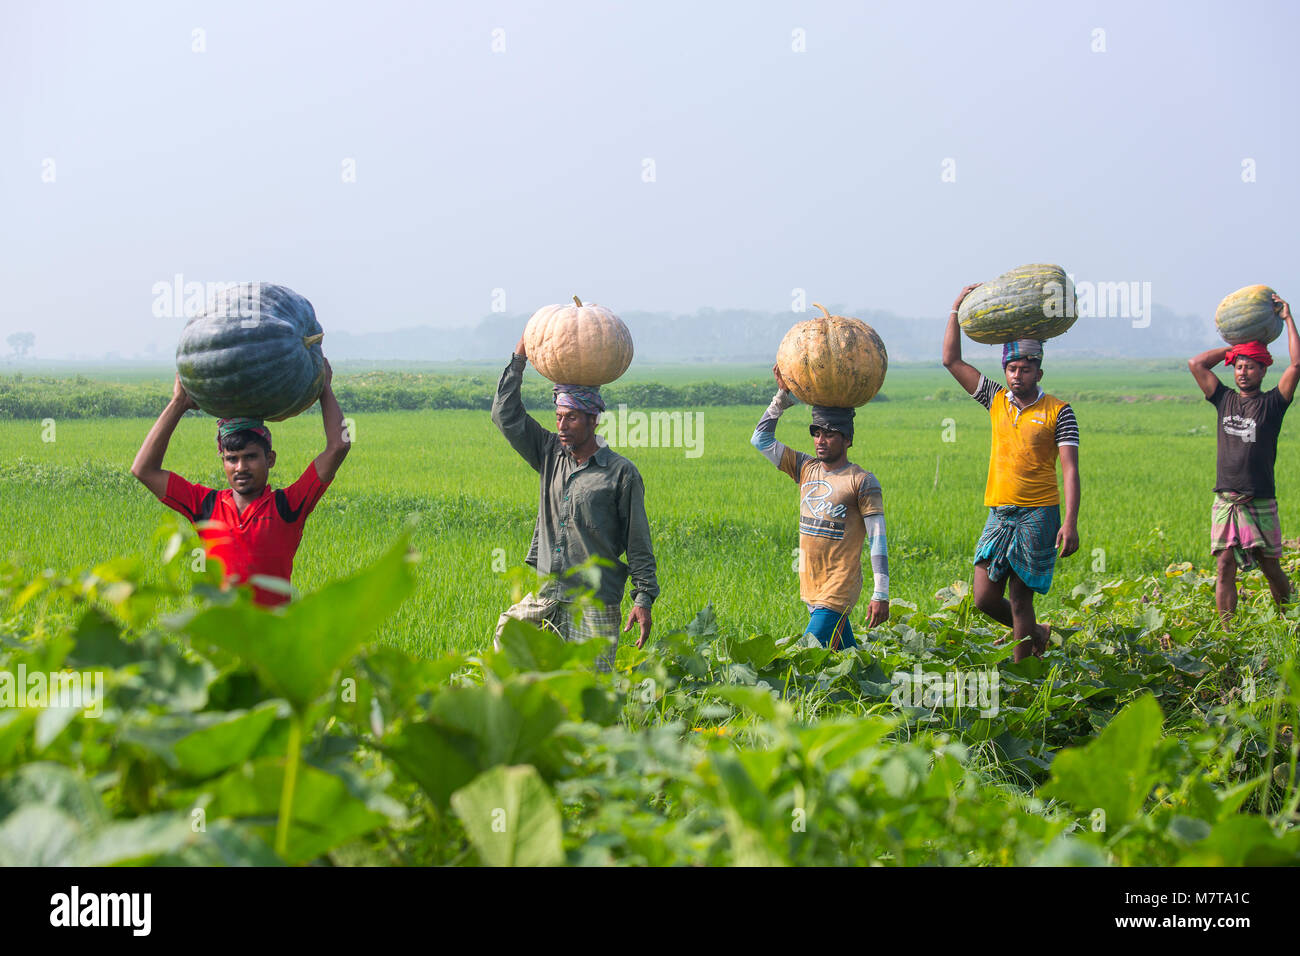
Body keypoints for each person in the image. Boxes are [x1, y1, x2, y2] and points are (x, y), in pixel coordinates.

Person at [491, 334, 658, 670]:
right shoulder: (549, 453)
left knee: (590, 694)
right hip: (548, 595)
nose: (562, 426)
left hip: (593, 604)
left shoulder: (621, 473)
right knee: (508, 642)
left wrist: (643, 599)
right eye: (558, 416)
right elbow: (504, 415)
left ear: (593, 419)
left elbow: (637, 542)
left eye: (572, 418)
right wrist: (519, 355)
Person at [130, 361, 349, 606]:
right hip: (223, 638)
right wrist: (178, 404)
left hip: (273, 636)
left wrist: (324, 389)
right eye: (231, 459)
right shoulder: (205, 505)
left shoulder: (288, 505)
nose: (241, 468)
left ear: (270, 458)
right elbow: (143, 470)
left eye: (251, 457)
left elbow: (338, 446)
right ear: (223, 461)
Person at [943, 285, 1081, 662]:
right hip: (1000, 512)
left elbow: (1070, 470)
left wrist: (1069, 522)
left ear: (1039, 370)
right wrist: (956, 310)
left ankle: (1024, 679)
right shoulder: (996, 400)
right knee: (984, 598)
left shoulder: (1059, 411)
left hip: (1039, 514)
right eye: (1011, 368)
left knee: (1021, 600)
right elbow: (952, 362)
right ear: (1004, 370)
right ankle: (1037, 634)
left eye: (1025, 368)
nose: (1017, 375)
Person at [749, 366, 889, 650]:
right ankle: (876, 687)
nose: (821, 440)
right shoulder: (805, 468)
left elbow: (878, 539)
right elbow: (760, 440)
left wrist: (881, 593)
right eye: (816, 432)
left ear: (848, 439)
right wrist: (782, 396)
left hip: (839, 586)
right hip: (811, 583)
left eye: (830, 434)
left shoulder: (862, 481)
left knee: (806, 655)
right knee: (848, 658)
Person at [1188, 293, 1298, 624]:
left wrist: (1289, 319)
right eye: (1238, 366)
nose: (1242, 371)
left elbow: (1296, 365)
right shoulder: (1223, 399)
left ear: (1263, 370)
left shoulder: (1273, 404)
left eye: (1250, 365)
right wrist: (1233, 347)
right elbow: (1196, 364)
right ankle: (1228, 634)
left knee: (1270, 565)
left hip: (1259, 498)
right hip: (1226, 499)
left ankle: (1288, 620)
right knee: (1224, 565)